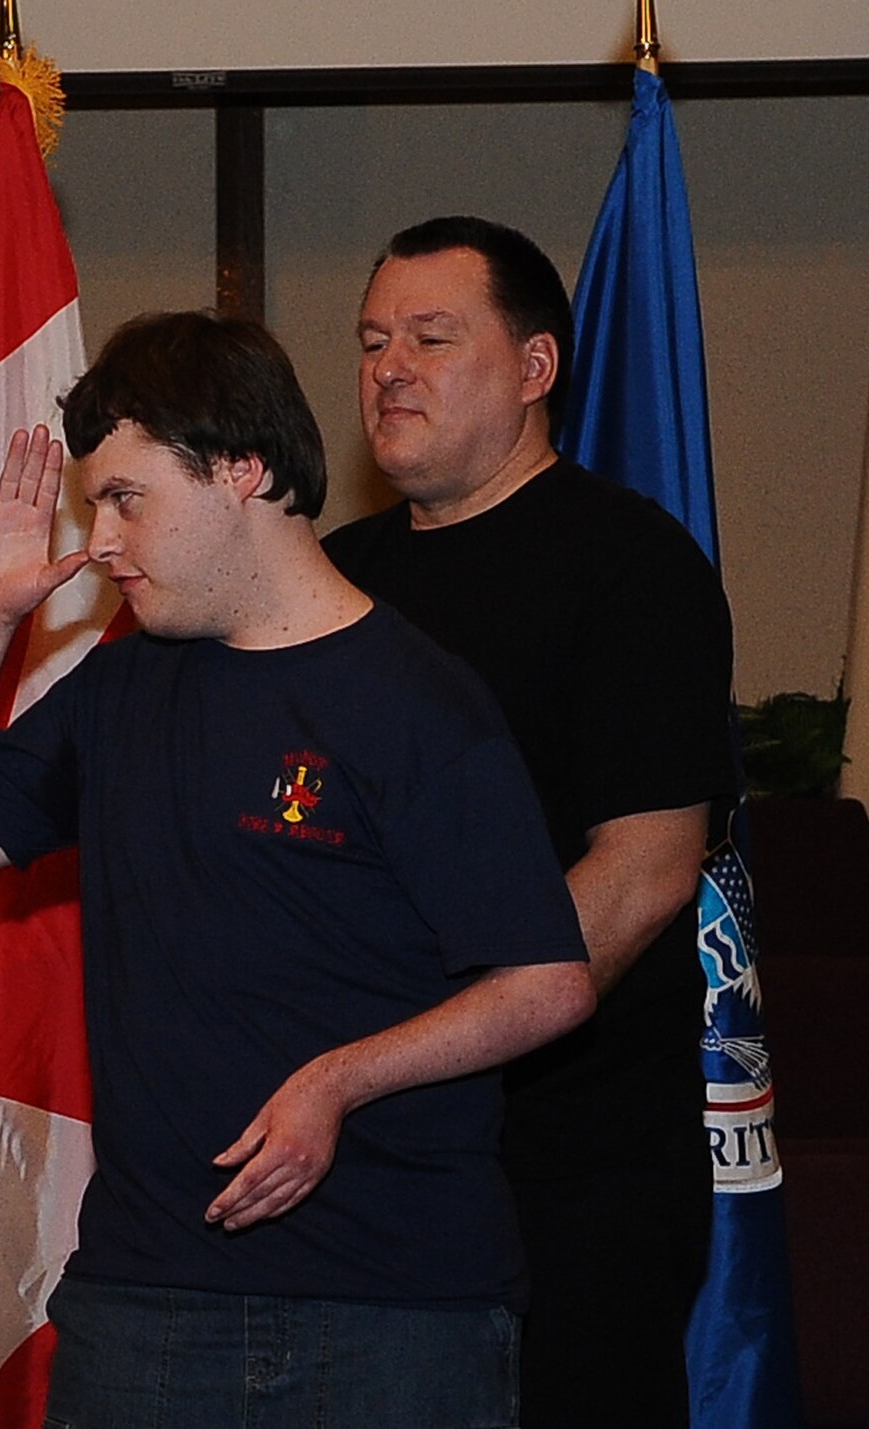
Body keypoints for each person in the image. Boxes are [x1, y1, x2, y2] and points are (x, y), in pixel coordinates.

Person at [0, 310, 596, 1427]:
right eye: (92, 503)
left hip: (393, 1308)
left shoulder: (415, 703)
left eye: (126, 498)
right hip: (142, 1300)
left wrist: (336, 1078)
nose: (101, 540)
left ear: (241, 469)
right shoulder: (119, 689)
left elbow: (546, 981)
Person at [325, 215, 736, 1427]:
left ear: (534, 368)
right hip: (361, 1152)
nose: (387, 365)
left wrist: (430, 1043)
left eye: (430, 336)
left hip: (567, 1165)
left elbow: (647, 868)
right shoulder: (327, 579)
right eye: (369, 339)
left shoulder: (629, 566)